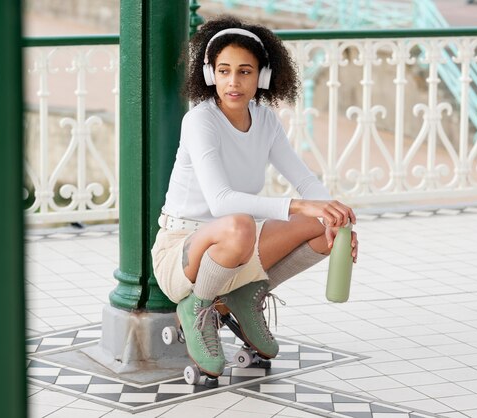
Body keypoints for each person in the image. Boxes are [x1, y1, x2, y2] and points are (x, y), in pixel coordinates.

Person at [151, 15, 358, 378]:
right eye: (224, 70)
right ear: (210, 73)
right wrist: (297, 204)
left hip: (236, 244)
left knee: (318, 228)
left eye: (245, 71)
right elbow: (220, 202)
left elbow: (306, 180)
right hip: (182, 251)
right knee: (240, 225)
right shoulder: (200, 120)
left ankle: (245, 296)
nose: (234, 81)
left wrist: (338, 220)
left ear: (262, 76)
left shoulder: (264, 119)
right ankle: (198, 308)